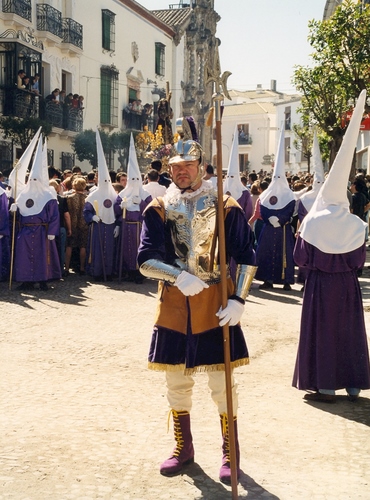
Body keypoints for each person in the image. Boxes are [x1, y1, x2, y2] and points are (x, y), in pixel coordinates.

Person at [137, 139, 256, 483]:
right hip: (175, 302)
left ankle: (230, 453)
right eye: (175, 166)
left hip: (214, 300)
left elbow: (247, 254)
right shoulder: (158, 206)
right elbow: (145, 259)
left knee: (222, 383)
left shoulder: (225, 204)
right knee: (176, 380)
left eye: (187, 165)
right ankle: (183, 447)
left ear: (202, 166)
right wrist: (176, 275)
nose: (180, 171)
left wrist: (240, 299)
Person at [292, 90, 370, 403]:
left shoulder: (312, 222)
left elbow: (301, 258)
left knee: (322, 332)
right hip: (347, 286)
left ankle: (325, 385)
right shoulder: (357, 225)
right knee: (349, 333)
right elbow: (358, 261)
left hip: (320, 287)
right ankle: (352, 385)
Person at [10, 136, 61, 291]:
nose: (33, 181)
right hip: (25, 231)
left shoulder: (48, 196)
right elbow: (17, 216)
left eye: (35, 179)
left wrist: (52, 232)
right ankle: (26, 281)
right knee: (24, 257)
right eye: (31, 179)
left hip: (42, 232)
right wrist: (13, 209)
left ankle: (43, 280)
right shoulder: (22, 195)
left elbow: (54, 216)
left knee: (42, 257)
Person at [254, 127, 295, 290]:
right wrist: (269, 218)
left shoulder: (289, 194)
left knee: (284, 255)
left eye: (280, 177)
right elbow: (262, 206)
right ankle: (267, 280)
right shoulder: (266, 194)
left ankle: (286, 281)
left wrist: (281, 219)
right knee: (267, 254)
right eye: (275, 177)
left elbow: (290, 208)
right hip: (269, 230)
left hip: (283, 229)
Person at [114, 134, 151, 283]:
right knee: (126, 250)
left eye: (137, 179)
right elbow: (116, 208)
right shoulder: (123, 193)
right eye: (132, 179)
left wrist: (141, 203)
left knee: (139, 250)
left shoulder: (145, 194)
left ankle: (140, 273)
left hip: (140, 226)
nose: (134, 182)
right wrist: (120, 207)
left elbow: (152, 211)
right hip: (126, 226)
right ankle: (128, 272)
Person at [83, 130, 117, 281]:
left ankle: (109, 272)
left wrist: (119, 225)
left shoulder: (115, 195)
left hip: (110, 227)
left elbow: (118, 210)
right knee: (96, 250)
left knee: (110, 250)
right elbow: (86, 211)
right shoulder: (93, 194)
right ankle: (96, 272)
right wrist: (92, 217)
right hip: (98, 226)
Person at [65, 177, 89, 276]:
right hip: (83, 224)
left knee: (69, 246)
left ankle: (66, 268)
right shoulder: (87, 198)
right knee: (83, 246)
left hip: (72, 223)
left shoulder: (69, 198)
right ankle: (82, 268)